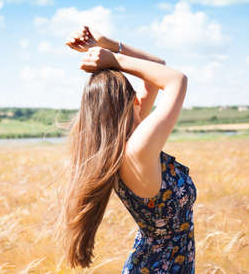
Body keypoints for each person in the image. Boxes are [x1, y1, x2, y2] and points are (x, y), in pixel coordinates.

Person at [59, 25, 197, 273]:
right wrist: (115, 60)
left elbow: (159, 65)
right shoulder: (137, 150)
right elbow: (176, 79)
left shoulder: (121, 145)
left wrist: (106, 44)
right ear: (132, 101)